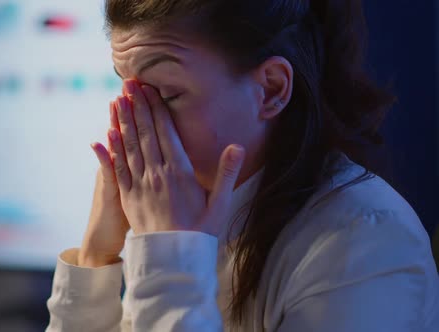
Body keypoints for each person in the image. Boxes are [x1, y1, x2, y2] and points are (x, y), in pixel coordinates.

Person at [45, 0, 439, 331]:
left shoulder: (368, 245)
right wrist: (96, 258)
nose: (134, 122)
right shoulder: (175, 217)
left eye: (165, 96)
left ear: (270, 89)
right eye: (125, 90)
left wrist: (171, 262)